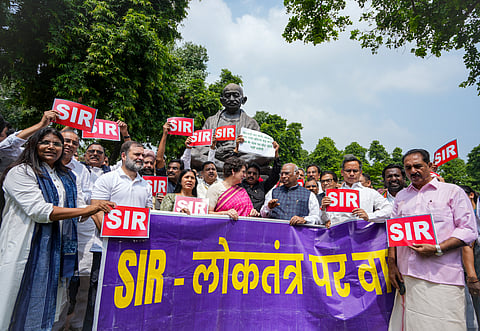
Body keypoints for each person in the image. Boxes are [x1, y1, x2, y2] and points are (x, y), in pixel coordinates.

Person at [0, 127, 113, 330]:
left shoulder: (66, 176)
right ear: (34, 144)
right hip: (27, 247)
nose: (52, 147)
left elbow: (78, 209)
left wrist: (102, 209)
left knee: (51, 305)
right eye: (46, 142)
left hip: (57, 249)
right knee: (15, 302)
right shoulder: (21, 172)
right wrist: (88, 209)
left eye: (57, 143)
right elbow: (39, 211)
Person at [387, 149, 477, 331]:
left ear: (430, 166)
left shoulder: (453, 192)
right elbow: (394, 233)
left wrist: (438, 248)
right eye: (408, 168)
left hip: (442, 276)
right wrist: (392, 265)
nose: (413, 171)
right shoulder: (402, 197)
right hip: (407, 276)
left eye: (418, 166)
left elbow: (468, 230)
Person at [83, 141, 152, 331]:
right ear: (123, 156)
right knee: (98, 297)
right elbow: (96, 209)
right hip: (105, 248)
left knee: (126, 294)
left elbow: (148, 214)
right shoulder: (107, 179)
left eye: (142, 155)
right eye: (136, 154)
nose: (140, 158)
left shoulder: (146, 185)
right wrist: (111, 236)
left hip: (133, 252)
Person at [191, 83, 265, 170]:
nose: (231, 99)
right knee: (192, 153)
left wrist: (238, 150)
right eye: (227, 96)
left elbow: (257, 148)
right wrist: (216, 150)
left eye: (236, 95)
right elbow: (201, 146)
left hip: (240, 158)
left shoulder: (251, 123)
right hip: (216, 157)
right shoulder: (211, 121)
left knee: (266, 155)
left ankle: (225, 167)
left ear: (243, 100)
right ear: (222, 100)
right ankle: (227, 167)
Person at [321, 154, 392, 226]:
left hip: (363, 235)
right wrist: (323, 209)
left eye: (355, 171)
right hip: (338, 235)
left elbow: (389, 210)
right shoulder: (334, 194)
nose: (351, 174)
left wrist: (369, 216)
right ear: (342, 172)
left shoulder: (370, 193)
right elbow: (326, 220)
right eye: (348, 171)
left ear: (360, 173)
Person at [239, 141, 280, 211]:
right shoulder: (239, 186)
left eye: (254, 174)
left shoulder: (263, 186)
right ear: (245, 174)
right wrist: (237, 149)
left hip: (257, 219)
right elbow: (232, 167)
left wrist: (276, 155)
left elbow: (275, 175)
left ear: (258, 176)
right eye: (249, 173)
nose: (251, 175)